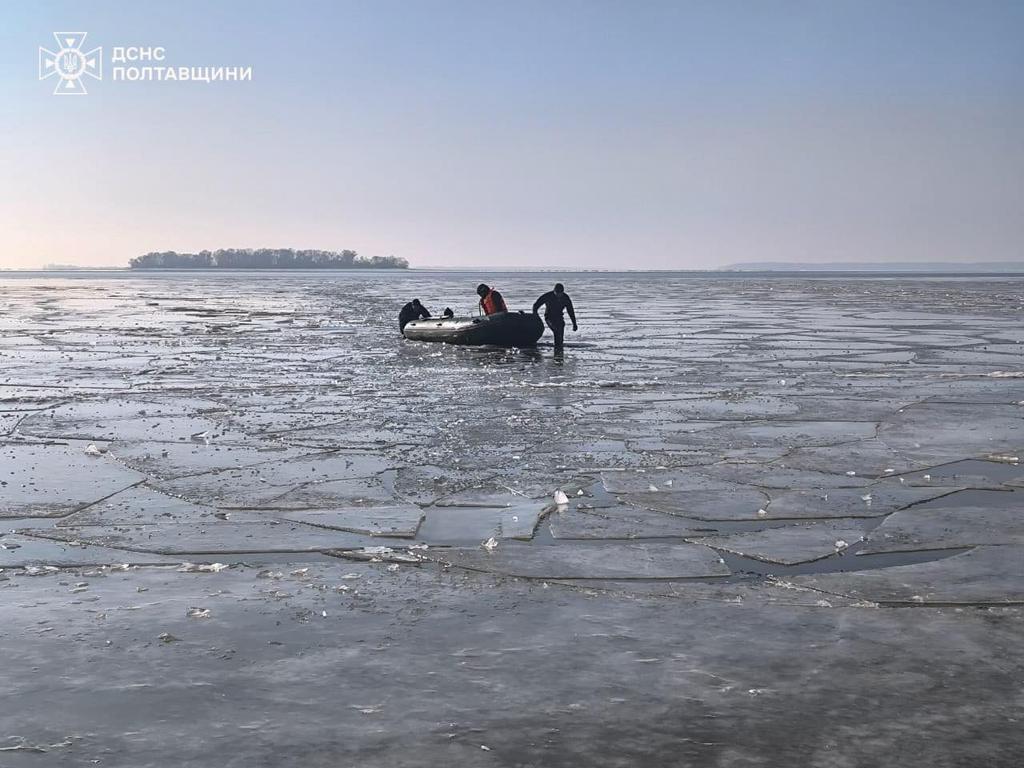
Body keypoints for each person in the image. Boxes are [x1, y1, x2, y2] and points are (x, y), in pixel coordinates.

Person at [532, 283, 577, 347]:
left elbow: (570, 311)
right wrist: (535, 314)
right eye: (557, 293)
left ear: (562, 292)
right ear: (554, 291)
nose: (558, 295)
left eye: (560, 293)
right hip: (549, 317)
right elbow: (536, 305)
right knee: (556, 329)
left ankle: (559, 346)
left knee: (561, 328)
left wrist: (574, 323)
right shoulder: (548, 296)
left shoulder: (565, 298)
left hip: (559, 317)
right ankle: (557, 347)